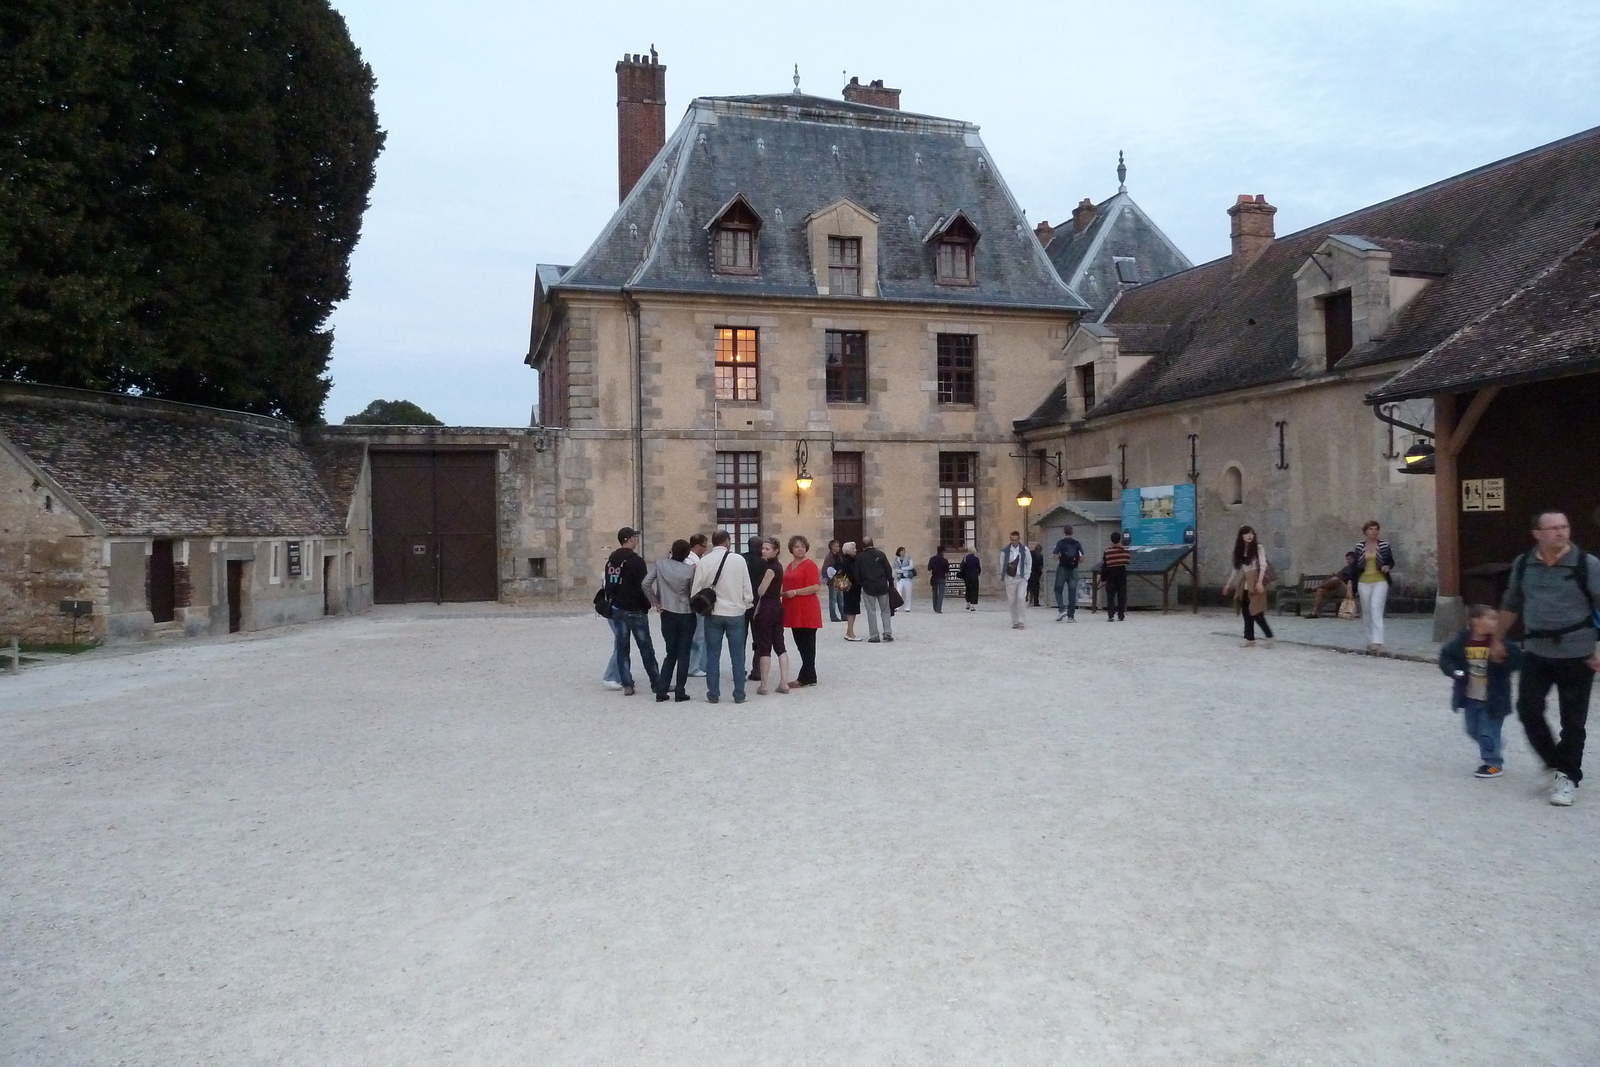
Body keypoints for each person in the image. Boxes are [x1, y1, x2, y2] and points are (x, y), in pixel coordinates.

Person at [1492, 509, 1600, 806]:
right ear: (1537, 534)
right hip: (1537, 651)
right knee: (1527, 709)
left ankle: (1567, 776)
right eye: (1552, 528)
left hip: (1578, 653)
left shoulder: (1586, 565)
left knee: (1573, 721)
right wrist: (1497, 638)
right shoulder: (1524, 564)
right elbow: (1512, 602)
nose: (1561, 532)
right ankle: (1553, 762)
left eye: (1564, 526)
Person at [1440, 605, 1522, 779]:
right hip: (1470, 696)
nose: (1495, 622)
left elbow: (1517, 660)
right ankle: (1494, 744)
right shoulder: (1462, 641)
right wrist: (1454, 671)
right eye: (1490, 618)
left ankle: (1493, 763)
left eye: (1496, 619)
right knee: (1472, 729)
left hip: (1493, 698)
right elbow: (1446, 656)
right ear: (1475, 620)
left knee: (1487, 731)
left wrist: (1504, 661)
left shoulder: (1501, 643)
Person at [690, 530, 755, 704]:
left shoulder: (704, 561)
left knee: (712, 655)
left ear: (713, 543)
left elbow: (696, 590)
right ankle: (739, 693)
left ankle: (713, 693)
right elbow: (746, 588)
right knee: (737, 655)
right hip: (735, 612)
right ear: (727, 542)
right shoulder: (739, 560)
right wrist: (746, 604)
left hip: (713, 613)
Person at [604, 527, 660, 695]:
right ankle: (656, 683)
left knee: (622, 647)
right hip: (635, 609)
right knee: (646, 647)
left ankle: (627, 683)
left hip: (617, 608)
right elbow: (643, 586)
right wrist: (647, 605)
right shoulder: (636, 561)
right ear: (628, 539)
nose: (637, 540)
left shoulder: (611, 560)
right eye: (635, 537)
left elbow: (609, 584)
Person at [642, 538, 696, 702]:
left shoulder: (661, 564)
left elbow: (645, 584)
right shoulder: (689, 570)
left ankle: (661, 689)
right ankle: (680, 691)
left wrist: (656, 602)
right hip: (685, 611)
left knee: (670, 653)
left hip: (667, 611)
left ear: (672, 550)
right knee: (684, 653)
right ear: (687, 554)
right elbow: (693, 592)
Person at [750, 537, 792, 695]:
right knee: (780, 646)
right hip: (777, 607)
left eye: (767, 549)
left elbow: (761, 591)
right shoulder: (779, 566)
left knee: (765, 647)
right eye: (763, 548)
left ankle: (764, 685)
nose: (763, 551)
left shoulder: (769, 568)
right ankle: (784, 682)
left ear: (776, 551)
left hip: (766, 608)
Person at [1221, 525, 1273, 647]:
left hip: (1255, 579)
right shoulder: (1239, 550)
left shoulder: (1258, 548)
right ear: (1241, 536)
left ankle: (1269, 636)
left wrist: (1260, 582)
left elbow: (1263, 565)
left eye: (1251, 533)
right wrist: (1228, 585)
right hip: (1244, 582)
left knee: (1256, 611)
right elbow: (1236, 569)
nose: (1249, 536)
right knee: (1245, 610)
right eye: (1246, 534)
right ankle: (1249, 638)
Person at [782, 535, 824, 687]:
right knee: (800, 643)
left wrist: (796, 592)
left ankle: (805, 676)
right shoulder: (789, 566)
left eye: (802, 546)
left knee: (807, 643)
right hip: (793, 609)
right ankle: (810, 675)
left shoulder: (810, 565)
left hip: (807, 608)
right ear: (791, 549)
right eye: (796, 546)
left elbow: (815, 586)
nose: (800, 549)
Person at [1352, 520, 1396, 652]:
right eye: (1371, 529)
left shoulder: (1384, 545)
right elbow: (1355, 565)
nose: (1374, 531)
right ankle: (1369, 639)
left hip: (1380, 580)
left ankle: (1378, 640)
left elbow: (1391, 561)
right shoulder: (1359, 546)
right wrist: (1350, 581)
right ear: (1365, 531)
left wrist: (1387, 566)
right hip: (1364, 581)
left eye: (1376, 529)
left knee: (1376, 608)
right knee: (1366, 610)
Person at [856, 536, 895, 643]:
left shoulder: (860, 557)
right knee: (885, 610)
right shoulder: (881, 554)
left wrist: (862, 584)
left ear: (862, 545)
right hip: (882, 586)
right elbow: (888, 570)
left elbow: (857, 574)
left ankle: (874, 635)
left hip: (868, 587)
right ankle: (887, 632)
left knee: (871, 612)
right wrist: (890, 583)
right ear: (873, 543)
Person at [1308, 551, 1361, 619]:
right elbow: (1338, 575)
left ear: (1354, 559)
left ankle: (1315, 587)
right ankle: (1314, 612)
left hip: (1348, 591)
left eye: (1349, 559)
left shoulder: (1358, 568)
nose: (1348, 561)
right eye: (1347, 559)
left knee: (1336, 579)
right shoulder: (1346, 568)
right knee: (1321, 590)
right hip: (1337, 588)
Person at [686, 533, 709, 677]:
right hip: (695, 601)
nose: (705, 550)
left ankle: (696, 665)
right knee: (698, 636)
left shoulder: (692, 560)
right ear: (697, 546)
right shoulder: (692, 562)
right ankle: (694, 667)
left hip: (691, 601)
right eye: (704, 547)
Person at [743, 535, 766, 681]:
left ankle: (738, 668)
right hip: (757, 603)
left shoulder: (741, 559)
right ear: (758, 547)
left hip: (741, 603)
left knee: (739, 638)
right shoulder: (762, 563)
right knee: (758, 637)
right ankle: (756, 669)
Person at [1000, 531, 1031, 629]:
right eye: (1012, 540)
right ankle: (1014, 621)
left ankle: (1021, 620)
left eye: (1015, 540)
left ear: (1019, 539)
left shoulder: (1025, 550)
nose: (1014, 542)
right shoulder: (1005, 551)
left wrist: (1027, 576)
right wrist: (1005, 578)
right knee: (1012, 600)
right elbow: (1002, 565)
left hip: (1021, 577)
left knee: (1021, 598)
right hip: (1010, 578)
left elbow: (1029, 562)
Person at [1052, 526, 1084, 622]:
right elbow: (1082, 558)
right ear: (1072, 532)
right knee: (1072, 592)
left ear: (1064, 532)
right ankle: (1071, 616)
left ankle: (1062, 609)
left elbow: (1055, 557)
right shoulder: (1077, 544)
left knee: (1058, 589)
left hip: (1062, 568)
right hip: (1074, 570)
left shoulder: (1060, 543)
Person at [1100, 532, 1131, 622]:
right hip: (1122, 574)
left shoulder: (1107, 551)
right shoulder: (1126, 551)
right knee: (1122, 595)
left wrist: (1103, 578)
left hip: (1110, 575)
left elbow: (1105, 564)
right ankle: (1121, 615)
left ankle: (1111, 615)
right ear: (1120, 539)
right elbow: (1127, 561)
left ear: (1111, 540)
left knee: (1110, 596)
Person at [837, 542, 863, 641]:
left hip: (853, 589)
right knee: (851, 611)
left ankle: (849, 631)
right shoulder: (848, 561)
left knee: (852, 611)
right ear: (847, 550)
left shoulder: (849, 560)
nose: (855, 550)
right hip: (851, 589)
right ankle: (850, 633)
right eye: (853, 548)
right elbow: (852, 575)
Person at [823, 539, 844, 623]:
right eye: (837, 546)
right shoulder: (829, 557)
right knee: (833, 599)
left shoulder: (838, 556)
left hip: (839, 578)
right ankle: (833, 616)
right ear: (832, 547)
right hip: (833, 580)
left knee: (840, 598)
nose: (838, 547)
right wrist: (830, 576)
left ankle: (843, 615)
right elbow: (825, 568)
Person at [928, 545, 951, 614]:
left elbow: (929, 569)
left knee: (934, 593)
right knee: (941, 594)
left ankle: (935, 607)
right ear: (943, 552)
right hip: (942, 577)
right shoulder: (944, 560)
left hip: (934, 577)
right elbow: (947, 570)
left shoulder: (932, 559)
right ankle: (939, 608)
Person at [893, 547, 915, 613]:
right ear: (899, 552)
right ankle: (897, 607)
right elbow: (896, 570)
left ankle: (907, 607)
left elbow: (911, 567)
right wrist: (904, 571)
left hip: (907, 578)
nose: (903, 552)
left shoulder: (908, 558)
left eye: (904, 551)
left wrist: (902, 569)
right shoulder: (896, 559)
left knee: (908, 593)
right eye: (902, 551)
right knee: (898, 593)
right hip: (900, 579)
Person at [1027, 543, 1045, 607]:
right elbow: (1041, 566)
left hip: (1030, 572)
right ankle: (1035, 601)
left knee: (1029, 587)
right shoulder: (1040, 556)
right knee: (1035, 588)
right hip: (1035, 573)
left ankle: (1029, 600)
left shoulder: (1030, 554)